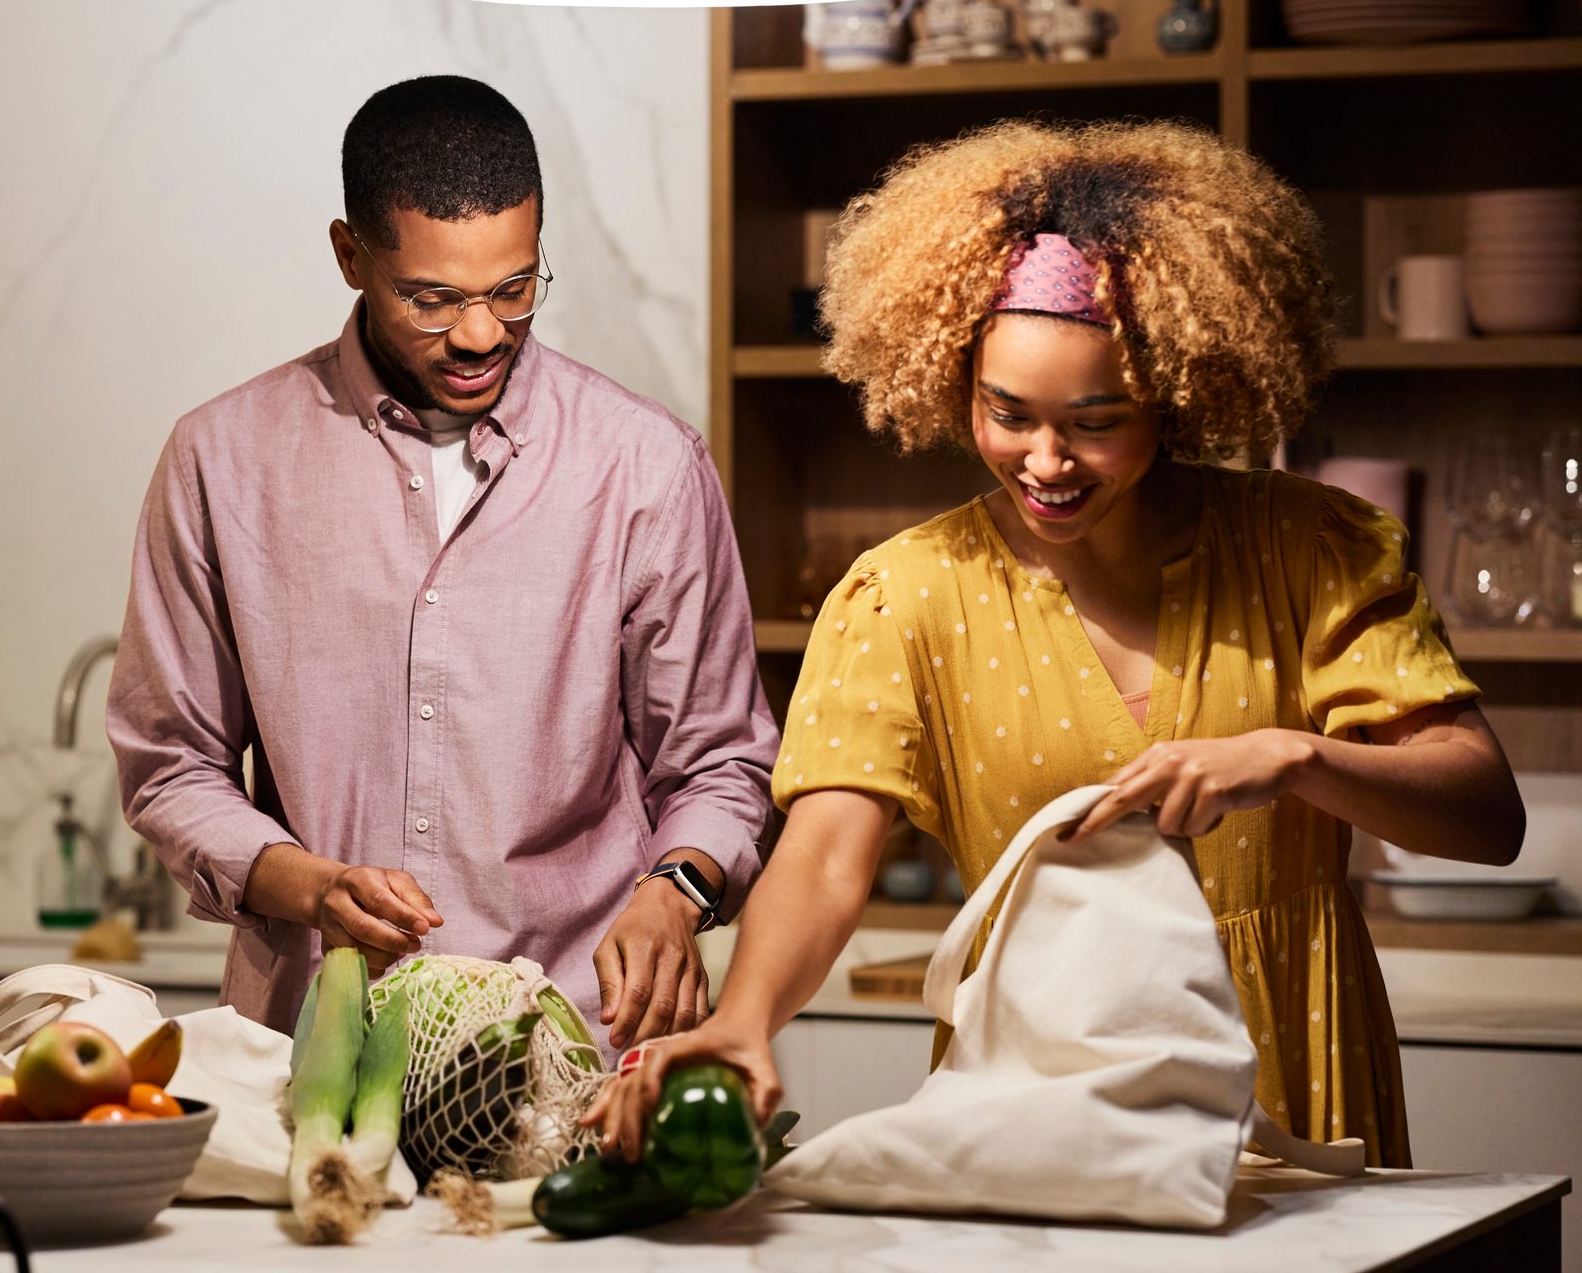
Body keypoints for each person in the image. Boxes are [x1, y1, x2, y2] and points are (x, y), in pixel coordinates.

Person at [589, 119, 1524, 1165]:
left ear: (1172, 389)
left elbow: (1486, 813)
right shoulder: (902, 596)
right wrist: (744, 1015)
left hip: (1295, 1071)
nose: (1044, 460)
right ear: (953, 384)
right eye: (1005, 412)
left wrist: (1296, 756)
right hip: (1037, 1095)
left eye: (1094, 418)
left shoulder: (1310, 547)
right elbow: (821, 854)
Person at [108, 74, 777, 1052]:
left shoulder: (643, 464)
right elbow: (170, 768)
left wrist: (675, 892)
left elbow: (717, 761)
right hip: (315, 1056)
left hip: (577, 1057)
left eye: (513, 289)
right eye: (433, 299)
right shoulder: (223, 459)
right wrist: (312, 885)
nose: (478, 335)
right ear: (350, 254)